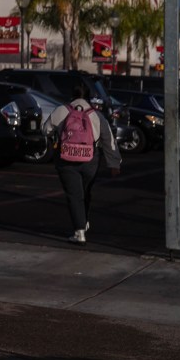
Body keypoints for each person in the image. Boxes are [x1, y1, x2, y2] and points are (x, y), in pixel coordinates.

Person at [43, 82, 122, 244]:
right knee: (85, 193)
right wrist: (114, 164)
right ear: (88, 97)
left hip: (66, 160)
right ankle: (83, 222)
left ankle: (79, 232)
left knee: (74, 195)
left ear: (72, 95)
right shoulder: (96, 115)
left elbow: (45, 129)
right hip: (90, 160)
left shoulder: (62, 110)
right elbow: (109, 140)